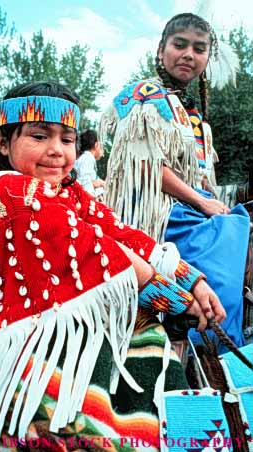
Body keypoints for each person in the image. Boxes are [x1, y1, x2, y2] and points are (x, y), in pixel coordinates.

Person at [0, 80, 225, 451]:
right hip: (25, 350)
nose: (56, 151)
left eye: (66, 139)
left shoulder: (69, 191)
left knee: (146, 355)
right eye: (38, 136)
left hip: (67, 336)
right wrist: (175, 300)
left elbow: (120, 233)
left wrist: (193, 282)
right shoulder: (5, 191)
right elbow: (90, 243)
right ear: (3, 143)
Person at [100, 13, 250, 352]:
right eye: (179, 45)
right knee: (228, 240)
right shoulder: (144, 98)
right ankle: (210, 345)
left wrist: (208, 197)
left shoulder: (191, 114)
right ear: (161, 49)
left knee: (239, 219)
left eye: (199, 49)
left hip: (185, 206)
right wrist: (202, 202)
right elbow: (149, 166)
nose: (189, 55)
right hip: (153, 212)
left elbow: (197, 174)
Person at [74, 129, 105, 199]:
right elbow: (84, 180)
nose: (102, 151)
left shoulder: (85, 158)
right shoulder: (88, 158)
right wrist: (92, 198)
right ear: (96, 145)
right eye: (101, 146)